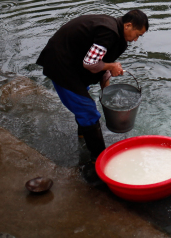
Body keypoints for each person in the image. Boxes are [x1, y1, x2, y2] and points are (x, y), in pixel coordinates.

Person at [36, 9, 149, 162]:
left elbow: (102, 63)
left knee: (83, 101)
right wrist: (112, 66)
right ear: (128, 25)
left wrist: (107, 93)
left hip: (72, 62)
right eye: (137, 35)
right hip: (60, 64)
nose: (136, 39)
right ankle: (99, 160)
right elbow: (90, 63)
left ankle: (83, 136)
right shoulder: (109, 33)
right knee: (88, 110)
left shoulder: (115, 33)